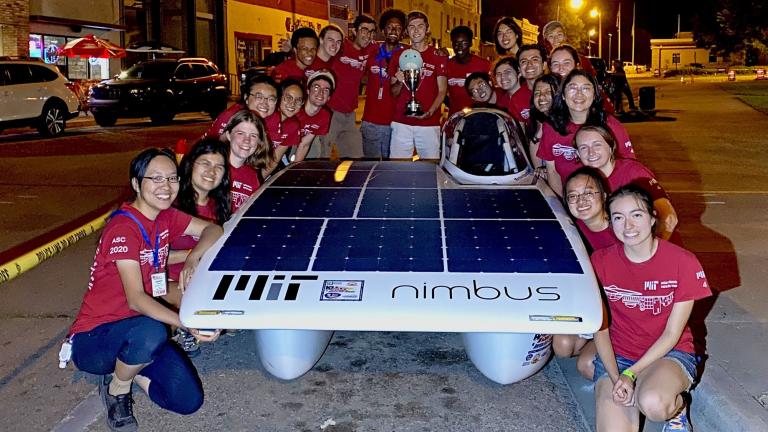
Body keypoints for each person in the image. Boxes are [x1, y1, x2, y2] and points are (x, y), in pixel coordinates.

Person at [67, 148, 223, 431]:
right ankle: (117, 388)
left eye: (173, 178)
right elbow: (137, 300)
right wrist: (187, 323)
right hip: (95, 339)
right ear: (137, 184)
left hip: (137, 333)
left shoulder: (165, 217)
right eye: (156, 178)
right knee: (152, 329)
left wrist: (192, 256)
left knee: (188, 401)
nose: (166, 187)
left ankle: (130, 366)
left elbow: (214, 231)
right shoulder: (123, 228)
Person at [591, 185, 711, 432]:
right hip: (619, 356)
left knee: (653, 403)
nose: (628, 225)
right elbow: (600, 329)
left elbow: (672, 334)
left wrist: (631, 375)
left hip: (669, 354)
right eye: (618, 217)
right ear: (610, 223)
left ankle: (678, 409)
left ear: (652, 217)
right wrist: (617, 378)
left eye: (636, 215)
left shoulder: (683, 262)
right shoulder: (599, 262)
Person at [552, 166, 620, 380]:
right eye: (573, 196)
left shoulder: (623, 230)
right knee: (562, 346)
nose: (581, 201)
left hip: (624, 314)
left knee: (588, 365)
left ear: (605, 196)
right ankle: (597, 343)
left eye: (589, 193)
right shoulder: (571, 230)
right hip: (597, 309)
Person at [539, 69, 634, 196]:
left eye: (586, 88)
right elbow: (552, 171)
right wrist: (562, 207)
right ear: (562, 95)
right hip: (573, 201)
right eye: (572, 88)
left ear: (594, 95)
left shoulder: (610, 124)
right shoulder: (551, 127)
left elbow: (628, 166)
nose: (579, 94)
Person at [574, 125, 678, 239]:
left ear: (610, 146)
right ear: (578, 154)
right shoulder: (582, 181)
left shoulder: (633, 172)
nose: (591, 152)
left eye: (597, 145)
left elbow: (668, 218)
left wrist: (649, 252)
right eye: (583, 147)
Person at [388, 10, 448, 159]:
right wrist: (400, 81)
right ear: (407, 31)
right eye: (412, 27)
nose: (416, 30)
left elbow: (442, 90)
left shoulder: (438, 56)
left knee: (430, 168)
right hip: (402, 123)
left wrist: (431, 111)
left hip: (429, 124)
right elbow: (393, 92)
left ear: (427, 29)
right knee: (398, 169)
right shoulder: (398, 56)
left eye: (420, 26)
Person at [318, 15, 377, 159]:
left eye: (371, 31)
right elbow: (318, 46)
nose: (368, 35)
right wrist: (290, 48)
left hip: (349, 114)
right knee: (321, 157)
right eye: (364, 30)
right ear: (355, 31)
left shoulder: (371, 49)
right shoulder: (341, 46)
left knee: (356, 159)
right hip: (329, 111)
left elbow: (393, 48)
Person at [361, 8, 407, 159]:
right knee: (371, 166)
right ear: (383, 30)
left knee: (389, 167)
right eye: (389, 27)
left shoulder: (407, 54)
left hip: (395, 124)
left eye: (398, 28)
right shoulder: (371, 51)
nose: (393, 30)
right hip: (370, 122)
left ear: (403, 32)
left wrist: (443, 54)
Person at [205, 73, 279, 142]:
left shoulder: (274, 118)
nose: (265, 103)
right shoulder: (231, 117)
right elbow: (215, 148)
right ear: (246, 98)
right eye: (259, 97)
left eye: (271, 99)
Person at [223, 109, 273, 211]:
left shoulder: (252, 176)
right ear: (228, 135)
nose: (247, 140)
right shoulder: (214, 167)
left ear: (259, 141)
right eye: (240, 133)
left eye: (253, 136)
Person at [446, 25, 490, 117]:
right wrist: (452, 105)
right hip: (455, 118)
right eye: (456, 43)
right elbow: (441, 91)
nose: (459, 47)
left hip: (479, 117)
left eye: (464, 43)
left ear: (470, 43)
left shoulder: (484, 65)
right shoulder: (447, 65)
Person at [295, 70, 335, 162]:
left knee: (315, 152)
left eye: (326, 90)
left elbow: (305, 144)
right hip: (283, 141)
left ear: (329, 97)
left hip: (301, 141)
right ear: (308, 90)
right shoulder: (296, 107)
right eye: (316, 87)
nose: (321, 93)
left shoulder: (325, 115)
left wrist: (295, 168)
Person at [525, 74, 560, 169]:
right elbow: (538, 168)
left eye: (548, 92)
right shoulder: (537, 123)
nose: (541, 96)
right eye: (537, 93)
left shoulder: (568, 124)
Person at [268, 78, 304, 171]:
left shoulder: (293, 125)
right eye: (288, 97)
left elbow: (274, 160)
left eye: (298, 100)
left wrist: (259, 181)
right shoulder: (265, 116)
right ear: (278, 96)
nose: (292, 104)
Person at [512, 44, 548, 123]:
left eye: (535, 59)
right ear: (519, 69)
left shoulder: (556, 90)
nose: (529, 64)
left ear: (544, 65)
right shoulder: (517, 98)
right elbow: (521, 131)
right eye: (524, 61)